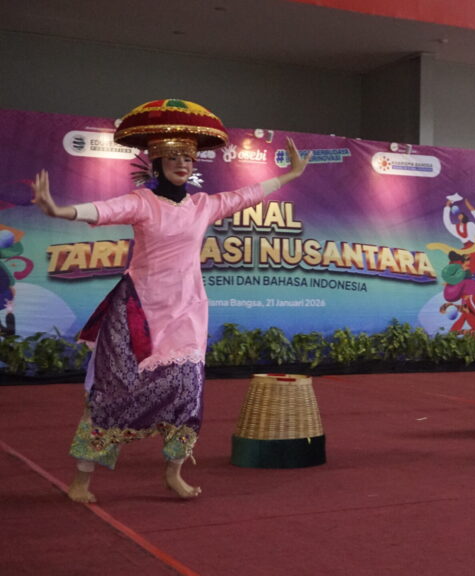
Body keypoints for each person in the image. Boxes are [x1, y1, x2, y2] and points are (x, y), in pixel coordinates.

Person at [30, 99, 311, 502]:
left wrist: (290, 175)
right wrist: (59, 210)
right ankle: (82, 481)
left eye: (188, 158)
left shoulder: (203, 205)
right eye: (174, 157)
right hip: (137, 313)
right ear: (158, 161)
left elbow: (246, 195)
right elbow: (104, 210)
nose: (182, 163)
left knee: (187, 391)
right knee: (112, 393)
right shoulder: (142, 202)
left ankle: (173, 473)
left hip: (186, 312)